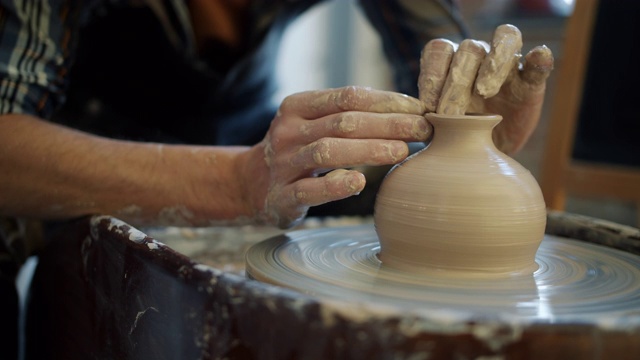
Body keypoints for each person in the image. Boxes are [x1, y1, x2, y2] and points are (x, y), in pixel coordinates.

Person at [0, 0, 553, 357]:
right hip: (82, 160)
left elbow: (444, 52)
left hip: (248, 138)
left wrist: (474, 105)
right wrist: (235, 184)